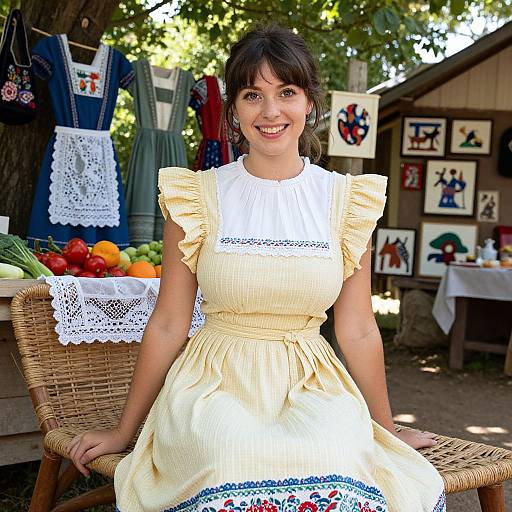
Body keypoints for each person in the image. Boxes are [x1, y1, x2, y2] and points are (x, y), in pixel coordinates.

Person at [66, 24, 446, 512]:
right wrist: (124, 429)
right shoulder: (196, 197)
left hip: (313, 383)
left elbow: (357, 329)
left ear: (309, 102)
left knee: (332, 457)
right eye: (253, 94)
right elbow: (167, 323)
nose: (270, 112)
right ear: (235, 110)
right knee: (231, 459)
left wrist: (386, 428)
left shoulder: (345, 202)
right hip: (214, 383)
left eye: (286, 92)